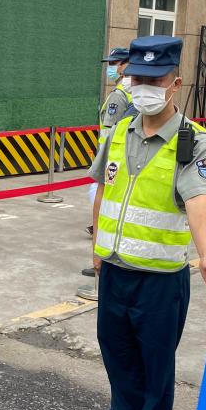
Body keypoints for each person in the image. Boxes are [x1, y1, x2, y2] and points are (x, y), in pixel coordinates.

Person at [87, 36, 206, 410]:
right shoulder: (118, 132)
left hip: (160, 277)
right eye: (138, 79)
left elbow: (199, 199)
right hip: (115, 269)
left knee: (155, 360)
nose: (144, 88)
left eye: (155, 80)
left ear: (176, 83)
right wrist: (96, 246)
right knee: (116, 352)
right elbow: (103, 189)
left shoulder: (192, 141)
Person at [83, 47, 136, 276]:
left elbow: (110, 132)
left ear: (126, 65)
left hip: (111, 162)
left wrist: (103, 161)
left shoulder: (119, 95)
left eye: (115, 63)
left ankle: (102, 260)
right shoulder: (129, 92)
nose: (111, 68)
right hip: (119, 160)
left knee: (104, 210)